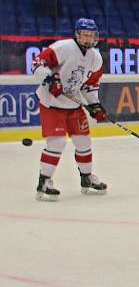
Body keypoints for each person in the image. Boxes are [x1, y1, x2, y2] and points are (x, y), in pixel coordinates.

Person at [32, 18, 109, 202]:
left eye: (91, 35)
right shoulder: (63, 47)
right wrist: (50, 80)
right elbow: (37, 63)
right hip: (52, 103)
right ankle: (44, 182)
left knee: (83, 142)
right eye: (85, 34)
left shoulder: (95, 58)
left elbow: (90, 86)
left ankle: (87, 179)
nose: (88, 38)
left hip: (73, 105)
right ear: (77, 34)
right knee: (57, 143)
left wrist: (94, 105)